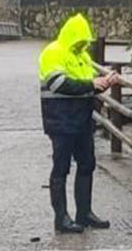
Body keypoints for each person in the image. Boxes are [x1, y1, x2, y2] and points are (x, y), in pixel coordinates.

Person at [38, 14, 118, 233]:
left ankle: (84, 213)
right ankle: (61, 218)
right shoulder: (53, 52)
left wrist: (105, 82)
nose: (83, 45)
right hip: (60, 119)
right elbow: (59, 83)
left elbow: (87, 86)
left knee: (86, 164)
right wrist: (92, 83)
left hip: (82, 119)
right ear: (72, 36)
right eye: (80, 40)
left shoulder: (82, 55)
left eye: (85, 42)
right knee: (61, 168)